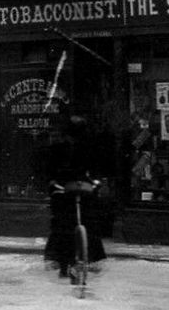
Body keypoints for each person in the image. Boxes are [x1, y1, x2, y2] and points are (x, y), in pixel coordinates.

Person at [43, 114, 107, 281]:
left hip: (67, 189)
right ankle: (81, 258)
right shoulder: (87, 146)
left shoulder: (64, 147)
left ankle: (65, 262)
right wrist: (95, 182)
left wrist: (54, 184)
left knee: (64, 225)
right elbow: (94, 169)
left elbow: (51, 170)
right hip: (76, 188)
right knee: (82, 220)